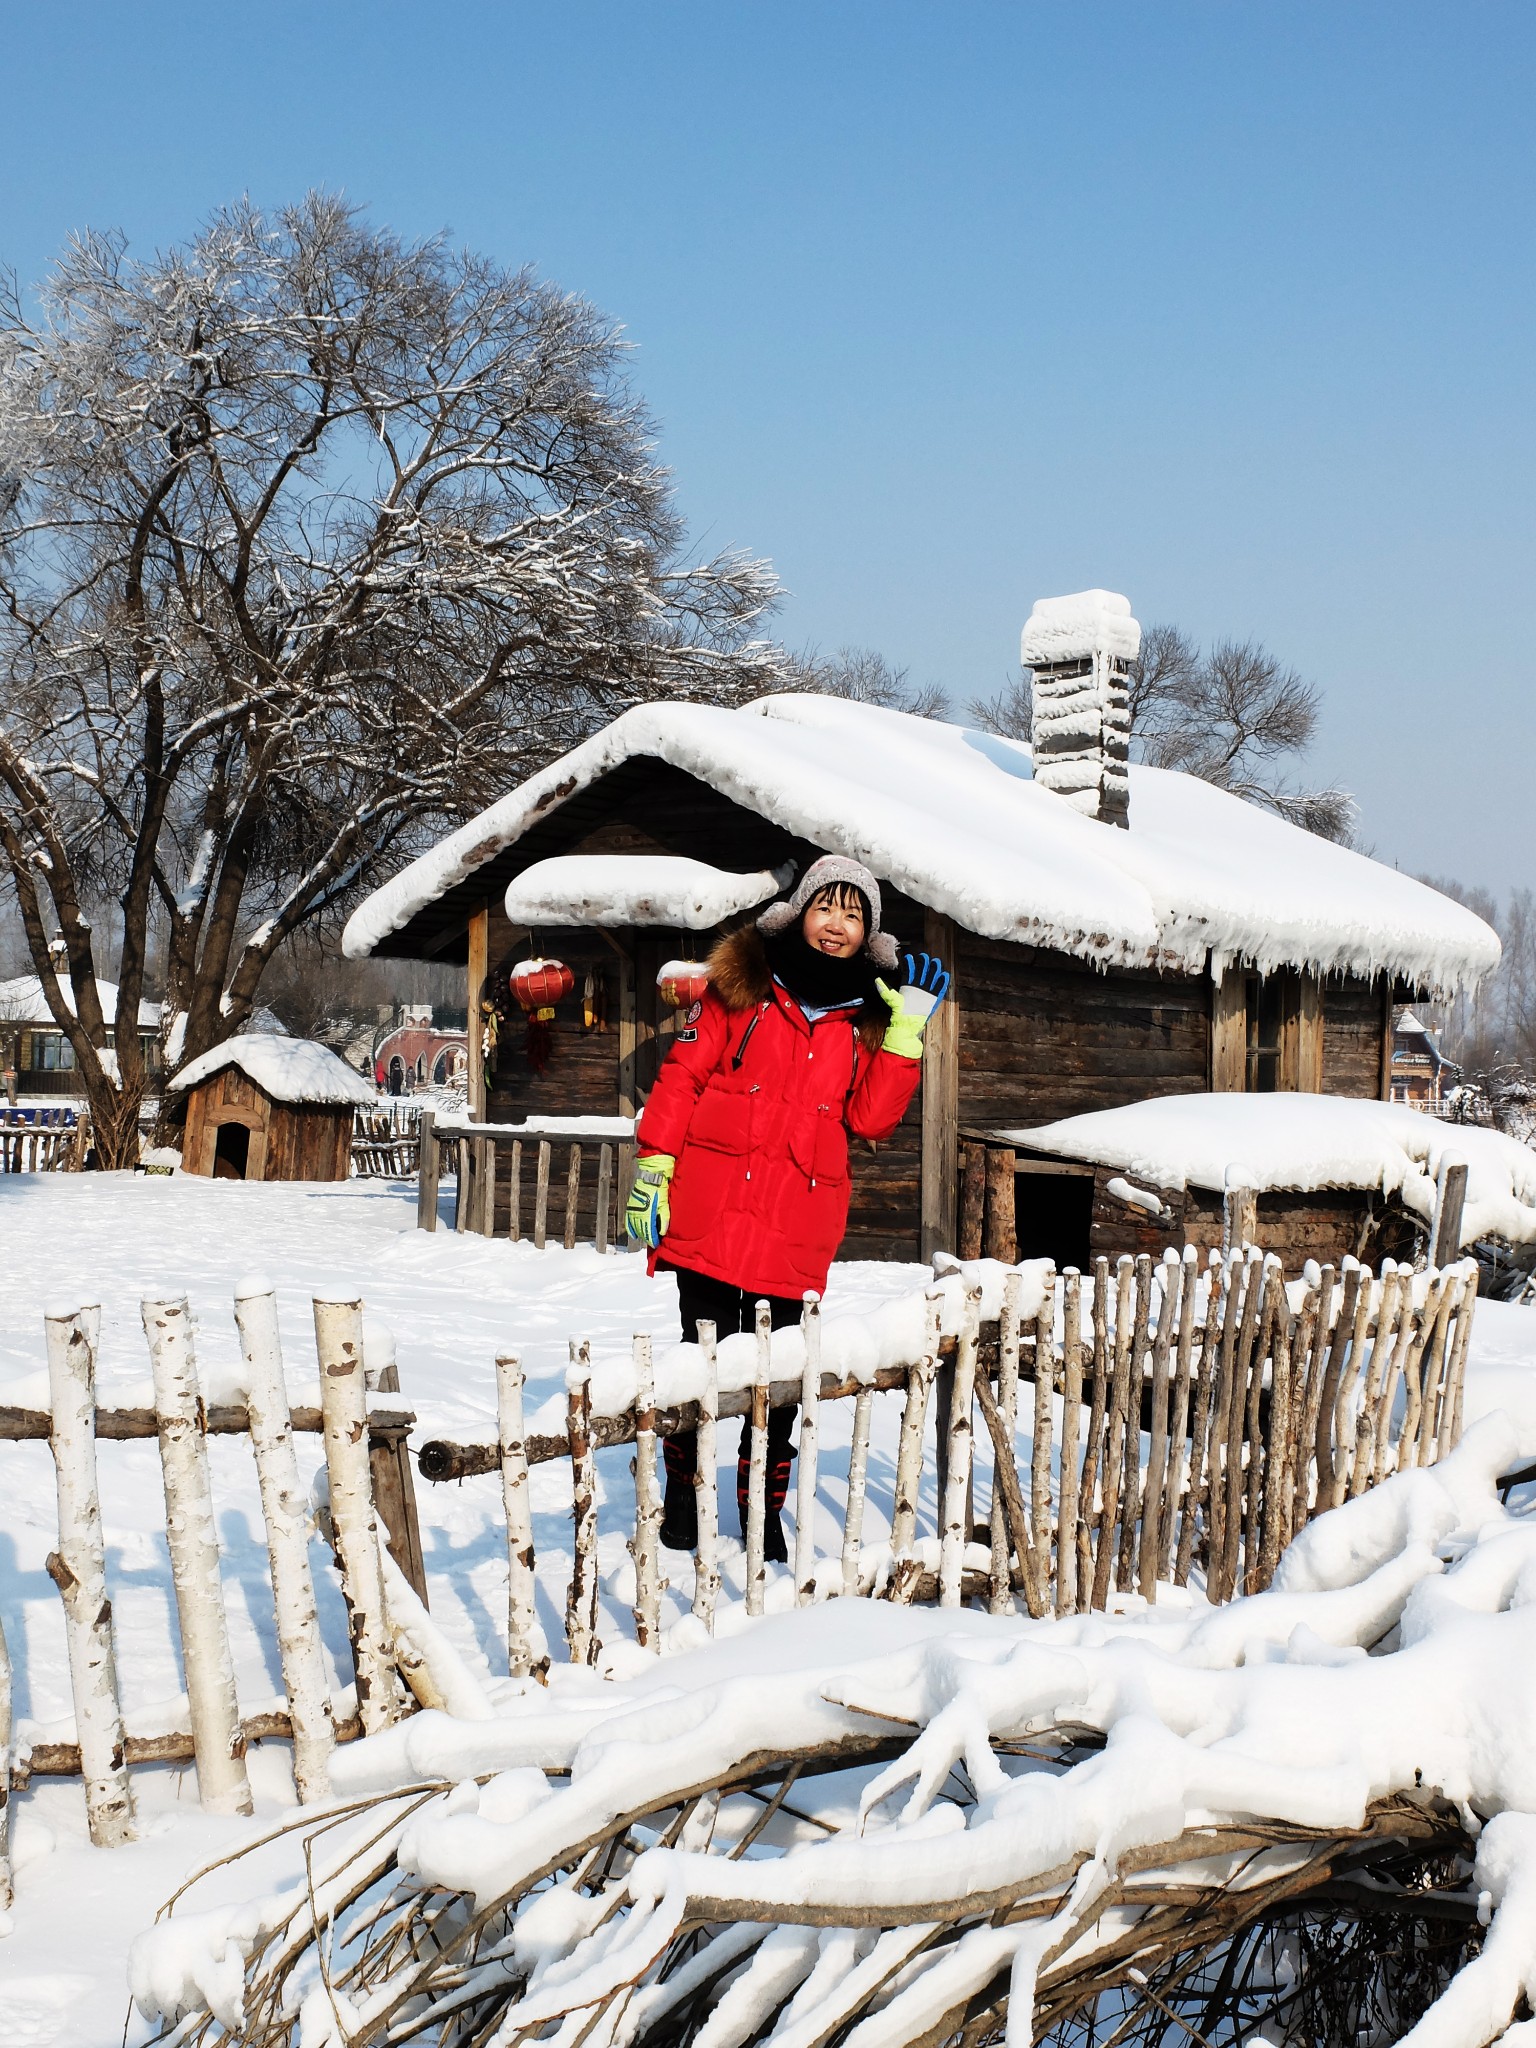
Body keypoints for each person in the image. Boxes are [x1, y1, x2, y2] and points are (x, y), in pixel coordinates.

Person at [624, 854, 950, 1559]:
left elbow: (869, 1121)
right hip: (711, 1206)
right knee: (698, 1359)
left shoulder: (871, 1012)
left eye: (853, 914)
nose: (837, 924)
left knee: (778, 1375)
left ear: (868, 934)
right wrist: (655, 1161)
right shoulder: (740, 987)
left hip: (796, 1220)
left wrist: (904, 1037)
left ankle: (760, 1510)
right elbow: (682, 1075)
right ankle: (682, 1494)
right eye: (826, 907)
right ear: (801, 911)